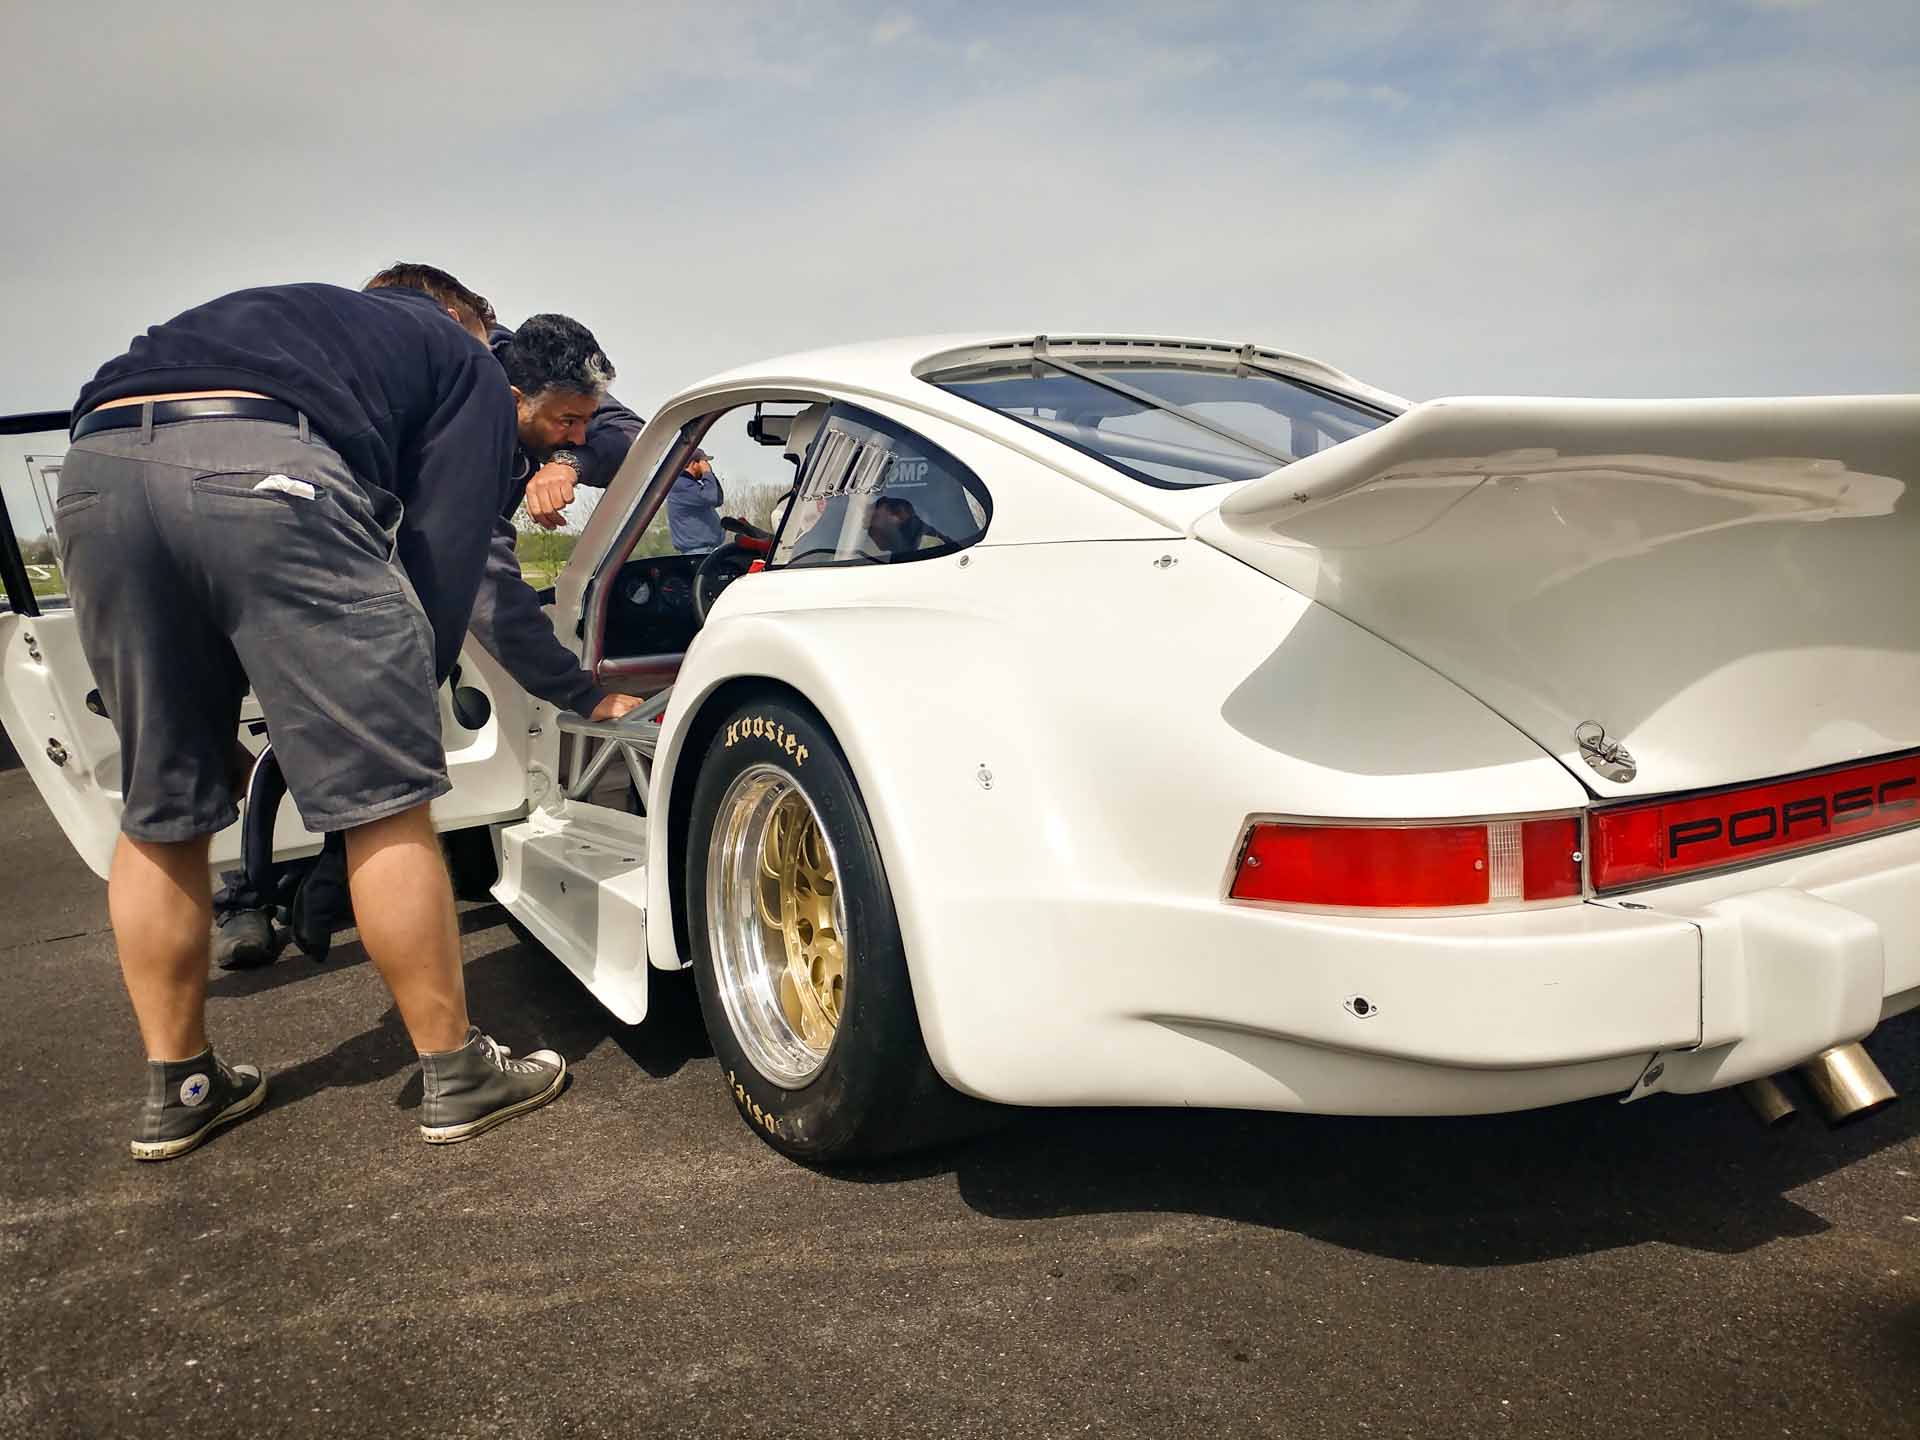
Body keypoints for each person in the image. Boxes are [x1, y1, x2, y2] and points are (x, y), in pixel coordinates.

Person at [58, 271, 573, 1160]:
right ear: (466, 316)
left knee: (160, 809)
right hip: (263, 474)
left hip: (95, 476)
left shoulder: (292, 322)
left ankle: (180, 1087)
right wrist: (402, 692)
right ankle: (459, 1075)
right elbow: (445, 551)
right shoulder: (461, 353)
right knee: (383, 801)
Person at [211, 280, 649, 973]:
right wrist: (581, 694)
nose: (581, 431)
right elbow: (482, 576)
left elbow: (631, 434)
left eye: (582, 420)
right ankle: (252, 892)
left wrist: (566, 459)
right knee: (335, 744)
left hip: (404, 565)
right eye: (567, 421)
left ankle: (318, 878)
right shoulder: (461, 396)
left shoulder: (533, 367)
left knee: (380, 745)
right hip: (340, 558)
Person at [665, 447, 725, 554]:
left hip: (705, 550)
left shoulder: (689, 485)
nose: (707, 465)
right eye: (704, 462)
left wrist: (710, 475)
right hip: (697, 551)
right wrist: (707, 472)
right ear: (694, 463)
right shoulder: (681, 485)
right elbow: (712, 497)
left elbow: (718, 499)